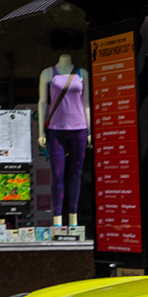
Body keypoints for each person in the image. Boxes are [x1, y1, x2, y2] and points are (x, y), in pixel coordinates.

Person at [37, 53, 91, 227]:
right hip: (56, 129)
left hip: (79, 128)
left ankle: (73, 218)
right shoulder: (48, 73)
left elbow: (87, 103)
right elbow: (42, 102)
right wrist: (41, 132)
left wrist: (90, 131)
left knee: (76, 175)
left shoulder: (82, 74)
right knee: (58, 175)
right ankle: (58, 219)